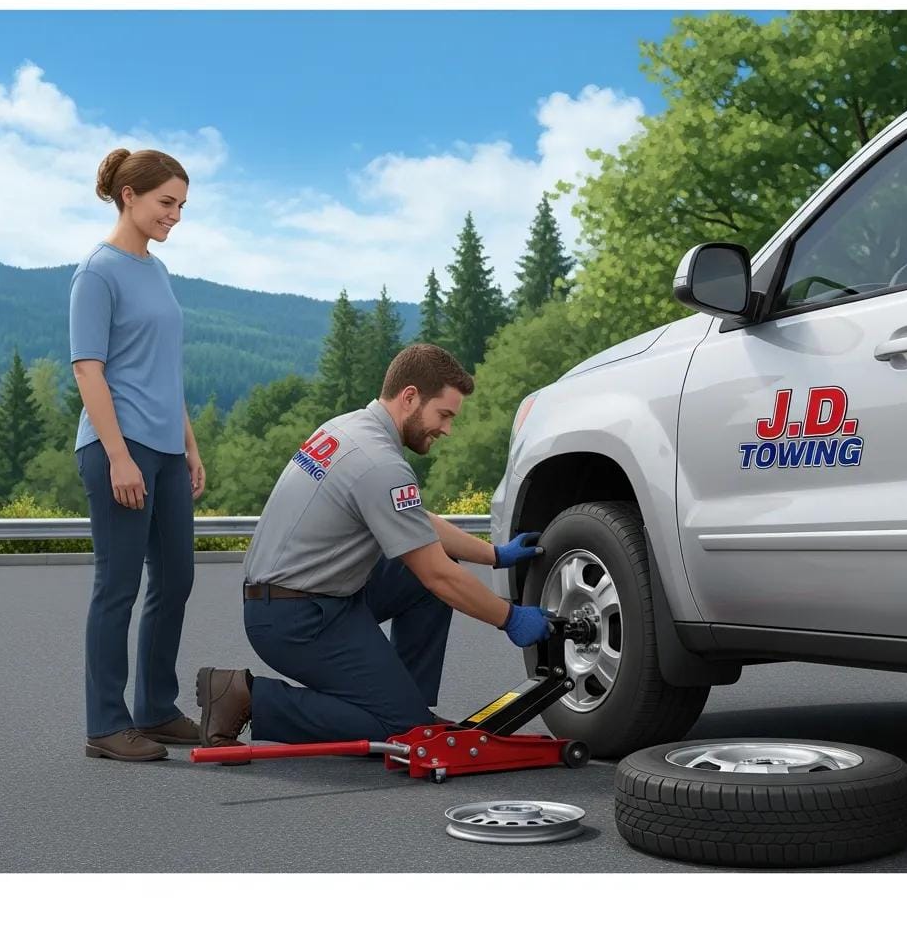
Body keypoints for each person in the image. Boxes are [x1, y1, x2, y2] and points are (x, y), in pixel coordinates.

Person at [196, 344, 551, 749]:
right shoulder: (380, 464)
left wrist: (494, 554)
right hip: (294, 619)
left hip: (312, 596)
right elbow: (438, 576)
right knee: (397, 727)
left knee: (428, 569)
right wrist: (510, 618)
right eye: (445, 415)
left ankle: (407, 704)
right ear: (410, 397)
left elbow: (414, 520)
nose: (447, 429)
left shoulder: (348, 429)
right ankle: (247, 698)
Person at [70, 148, 206, 762]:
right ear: (129, 195)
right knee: (117, 585)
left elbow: (164, 369)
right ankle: (106, 723)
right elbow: (89, 370)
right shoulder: (97, 272)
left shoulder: (156, 270)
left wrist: (189, 445)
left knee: (176, 577)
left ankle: (155, 708)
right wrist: (120, 457)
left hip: (165, 448)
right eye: (166, 203)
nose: (175, 216)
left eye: (180, 205)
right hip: (117, 448)